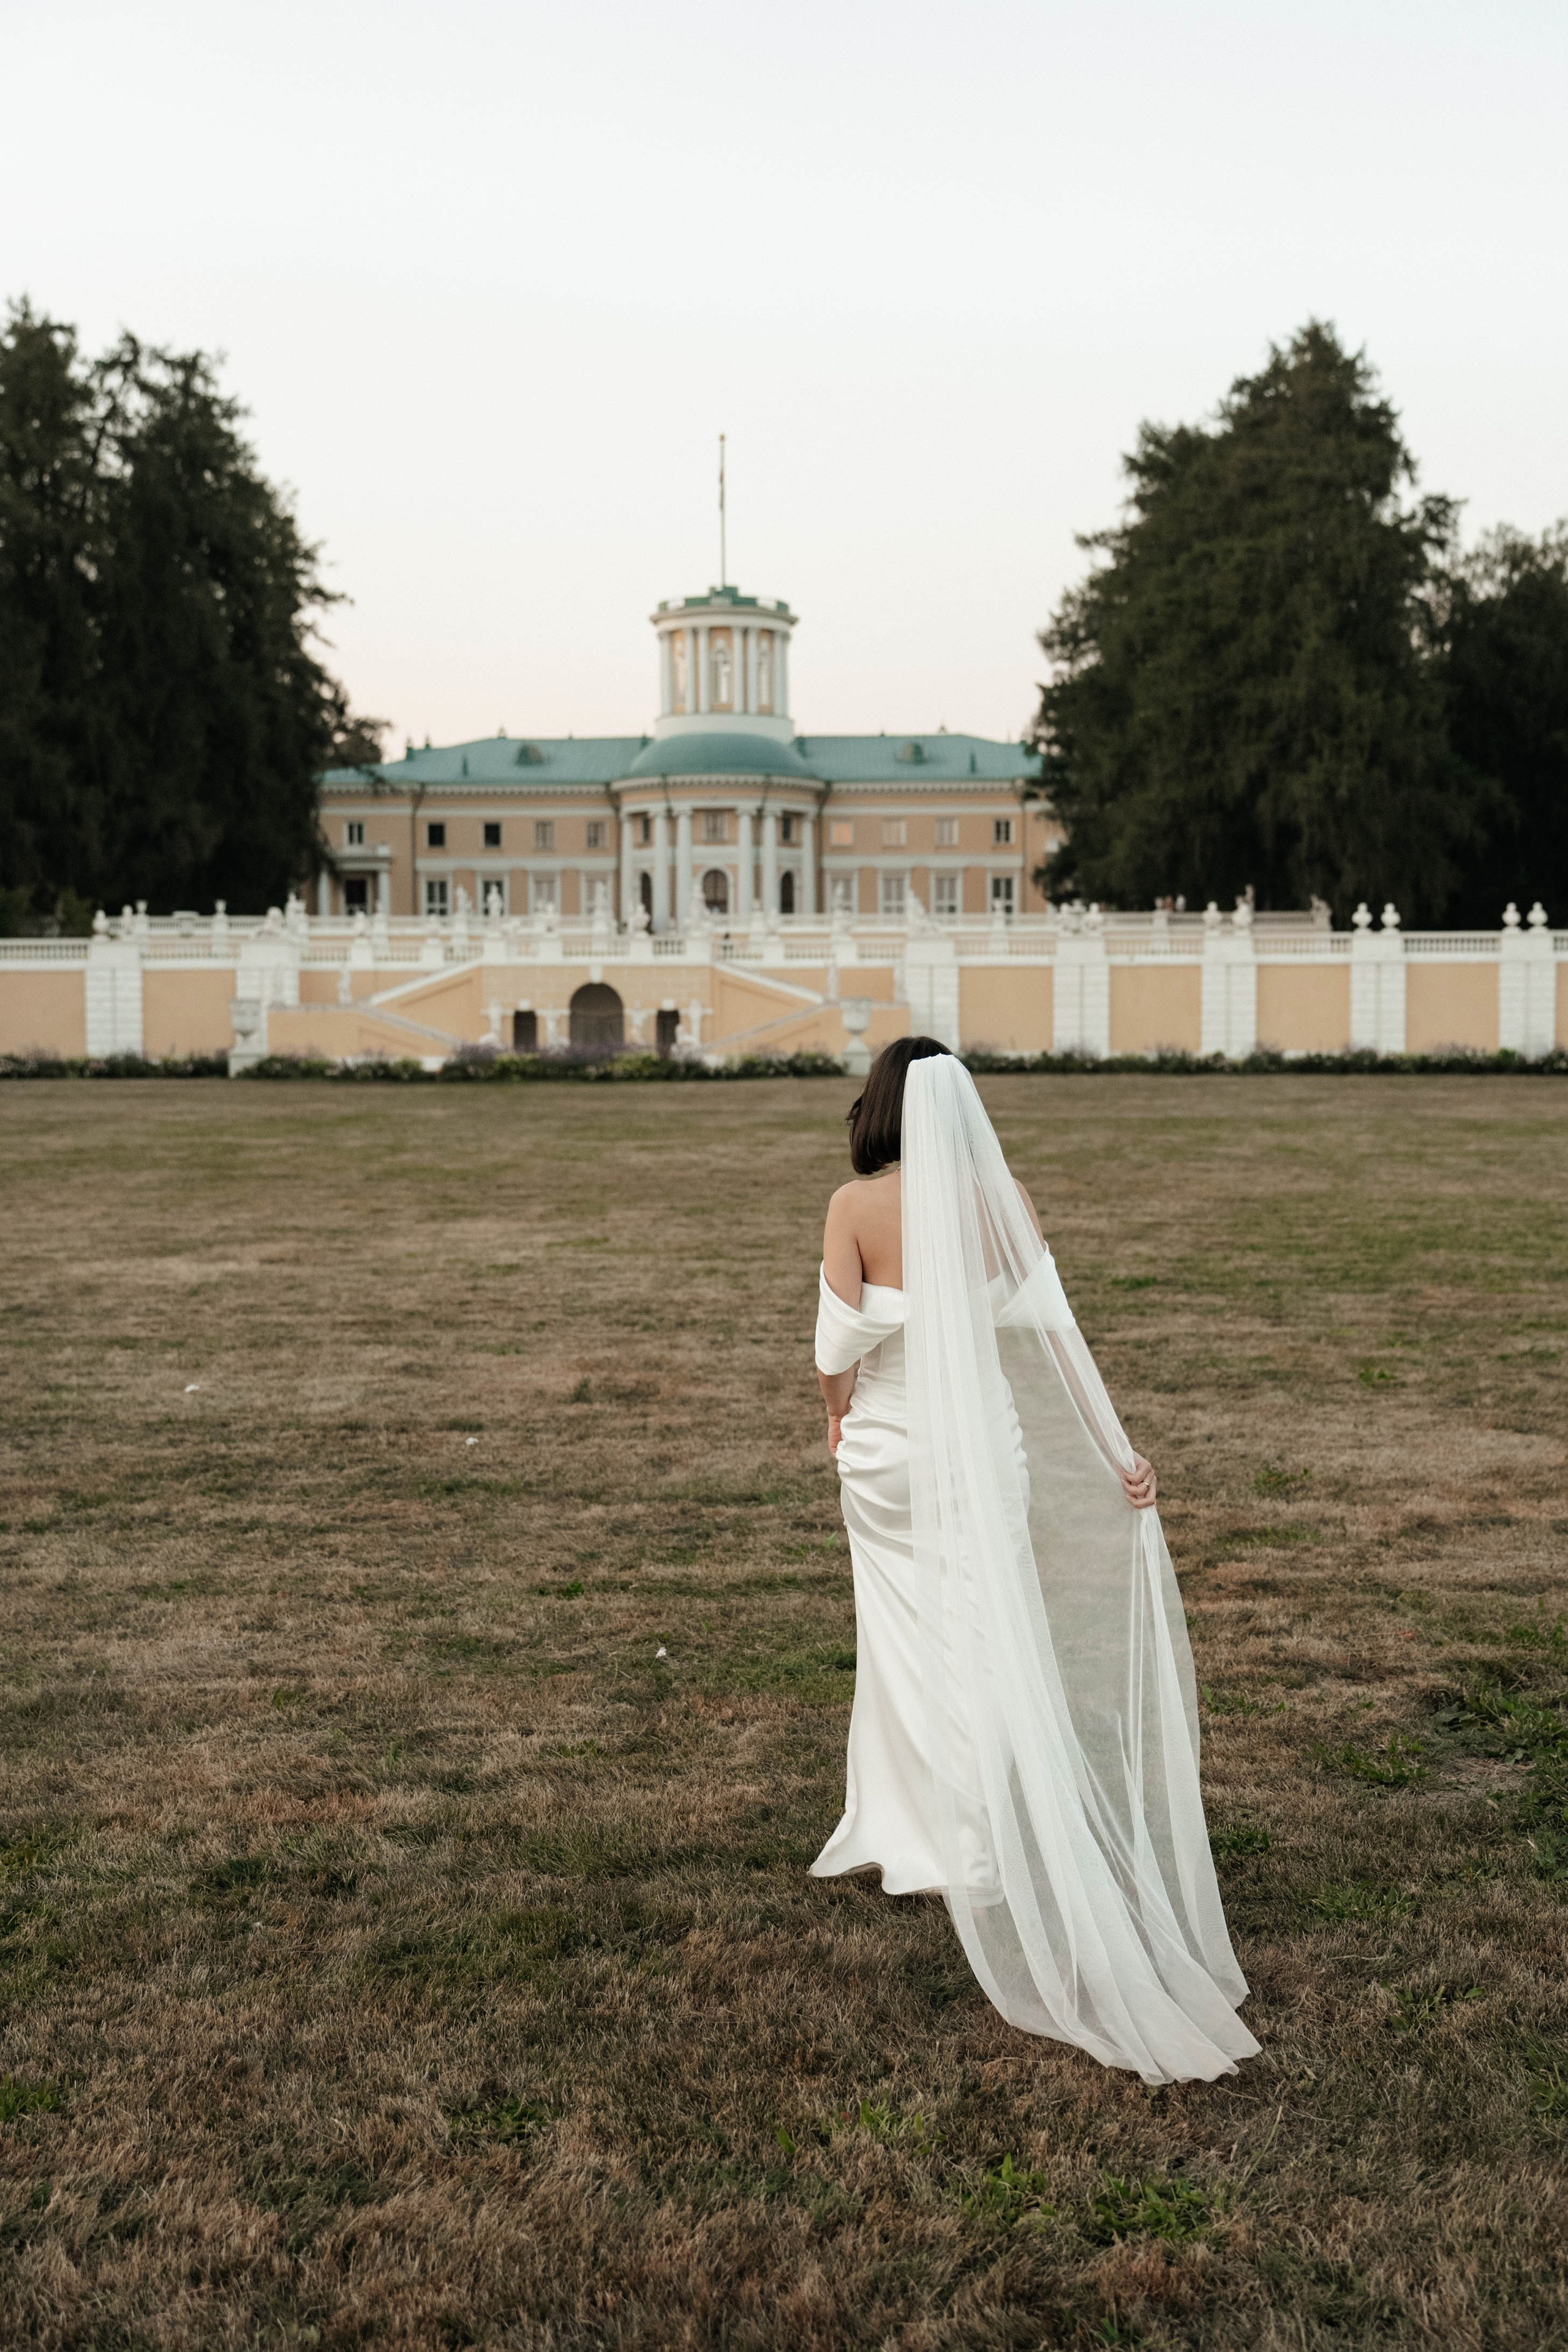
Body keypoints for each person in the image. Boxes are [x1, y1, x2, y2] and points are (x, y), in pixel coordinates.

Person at [811, 1037, 1258, 2085]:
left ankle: (913, 1828)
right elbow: (1057, 1336)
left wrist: (834, 1430)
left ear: (879, 1108)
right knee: (983, 1626)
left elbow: (834, 1352)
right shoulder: (999, 1196)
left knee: (903, 1631)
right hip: (984, 1457)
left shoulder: (853, 1206)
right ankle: (976, 1829)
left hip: (888, 1453)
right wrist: (1118, 1449)